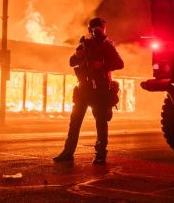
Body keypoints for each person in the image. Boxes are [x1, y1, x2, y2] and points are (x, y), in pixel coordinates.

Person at [53, 17, 124, 164]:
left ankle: (100, 155)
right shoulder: (85, 44)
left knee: (101, 123)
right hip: (84, 89)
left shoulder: (107, 46)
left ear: (103, 29)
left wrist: (102, 65)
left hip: (100, 89)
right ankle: (68, 152)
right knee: (75, 122)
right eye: (93, 28)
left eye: (98, 27)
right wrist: (78, 56)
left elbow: (119, 63)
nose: (95, 30)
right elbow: (72, 62)